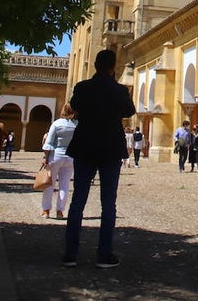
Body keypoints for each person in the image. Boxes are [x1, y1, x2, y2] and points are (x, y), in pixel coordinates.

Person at [62, 48, 136, 269]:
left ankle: (70, 254)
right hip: (111, 149)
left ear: (95, 65)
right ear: (113, 67)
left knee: (78, 202)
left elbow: (74, 106)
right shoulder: (119, 90)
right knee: (108, 204)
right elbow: (129, 111)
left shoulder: (82, 88)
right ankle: (104, 255)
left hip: (85, 147)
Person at [41, 103, 78, 219]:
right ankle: (60, 211)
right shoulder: (77, 125)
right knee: (64, 185)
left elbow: (49, 142)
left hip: (55, 156)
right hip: (71, 157)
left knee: (49, 184)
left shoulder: (57, 124)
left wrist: (45, 157)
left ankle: (46, 210)